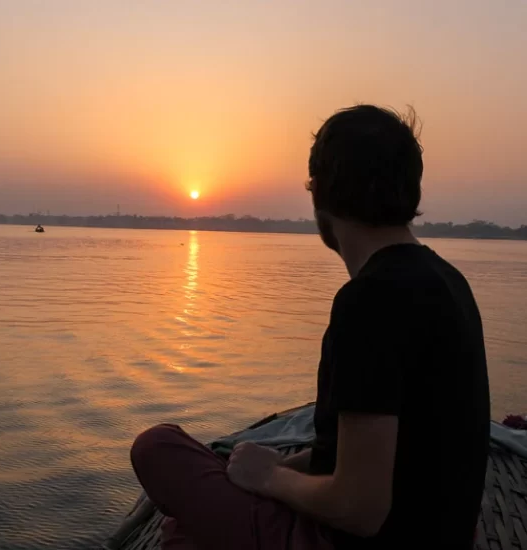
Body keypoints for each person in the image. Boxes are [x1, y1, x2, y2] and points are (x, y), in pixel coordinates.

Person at [131, 105, 490, 549]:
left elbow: (360, 508)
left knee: (157, 446)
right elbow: (374, 453)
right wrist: (284, 470)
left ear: (318, 193)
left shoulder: (369, 301)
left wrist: (270, 478)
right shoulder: (450, 282)